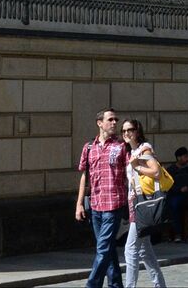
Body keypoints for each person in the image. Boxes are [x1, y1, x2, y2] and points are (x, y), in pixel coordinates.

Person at [76, 109, 128, 288]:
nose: (114, 123)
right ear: (100, 123)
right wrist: (79, 204)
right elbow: (84, 176)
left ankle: (92, 285)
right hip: (96, 205)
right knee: (108, 249)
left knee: (103, 247)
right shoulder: (89, 147)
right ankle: (115, 285)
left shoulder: (121, 146)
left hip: (114, 203)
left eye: (116, 120)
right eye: (110, 119)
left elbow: (131, 172)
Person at [121, 119, 166, 288]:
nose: (126, 133)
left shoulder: (144, 149)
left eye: (130, 130)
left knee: (130, 248)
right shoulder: (129, 152)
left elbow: (156, 171)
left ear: (137, 131)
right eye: (123, 131)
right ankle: (160, 285)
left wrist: (137, 166)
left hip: (143, 203)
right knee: (144, 250)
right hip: (135, 202)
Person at [165, 147, 188, 242]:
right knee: (174, 206)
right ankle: (177, 234)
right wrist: (179, 189)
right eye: (185, 156)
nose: (187, 159)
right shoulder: (171, 170)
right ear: (178, 158)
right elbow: (168, 185)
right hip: (175, 195)